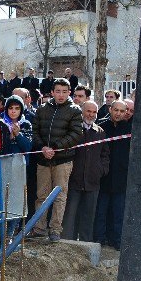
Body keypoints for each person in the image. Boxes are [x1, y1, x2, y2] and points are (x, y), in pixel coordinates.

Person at [31, 78, 84, 242]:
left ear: (69, 92)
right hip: (43, 159)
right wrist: (43, 148)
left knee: (60, 196)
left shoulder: (75, 110)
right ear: (52, 92)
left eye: (64, 91)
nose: (61, 95)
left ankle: (55, 229)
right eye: (58, 91)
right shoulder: (41, 109)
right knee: (41, 195)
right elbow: (35, 131)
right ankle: (39, 228)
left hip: (63, 160)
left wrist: (55, 147)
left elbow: (76, 134)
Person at [61, 102, 109, 242]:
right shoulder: (74, 130)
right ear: (82, 111)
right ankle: (68, 244)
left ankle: (85, 244)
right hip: (73, 180)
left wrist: (101, 170)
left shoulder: (99, 132)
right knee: (70, 215)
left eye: (94, 112)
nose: (91, 115)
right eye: (88, 111)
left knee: (89, 216)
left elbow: (105, 154)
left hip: (92, 181)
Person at [95, 101, 132, 249]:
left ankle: (117, 240)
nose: (118, 113)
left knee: (118, 212)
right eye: (115, 110)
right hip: (103, 176)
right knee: (101, 211)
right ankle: (99, 238)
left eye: (122, 111)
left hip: (122, 177)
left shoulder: (130, 128)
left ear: (126, 113)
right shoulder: (101, 126)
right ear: (110, 109)